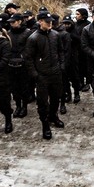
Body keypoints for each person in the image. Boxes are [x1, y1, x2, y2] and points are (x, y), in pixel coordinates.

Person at [25, 11, 65, 139]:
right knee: (42, 102)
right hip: (42, 75)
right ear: (40, 22)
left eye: (51, 22)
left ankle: (54, 116)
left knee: (56, 97)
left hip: (56, 72)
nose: (50, 24)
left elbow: (60, 51)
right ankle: (45, 124)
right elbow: (28, 59)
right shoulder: (33, 38)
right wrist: (35, 74)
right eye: (47, 22)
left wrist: (61, 65)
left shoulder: (55, 35)